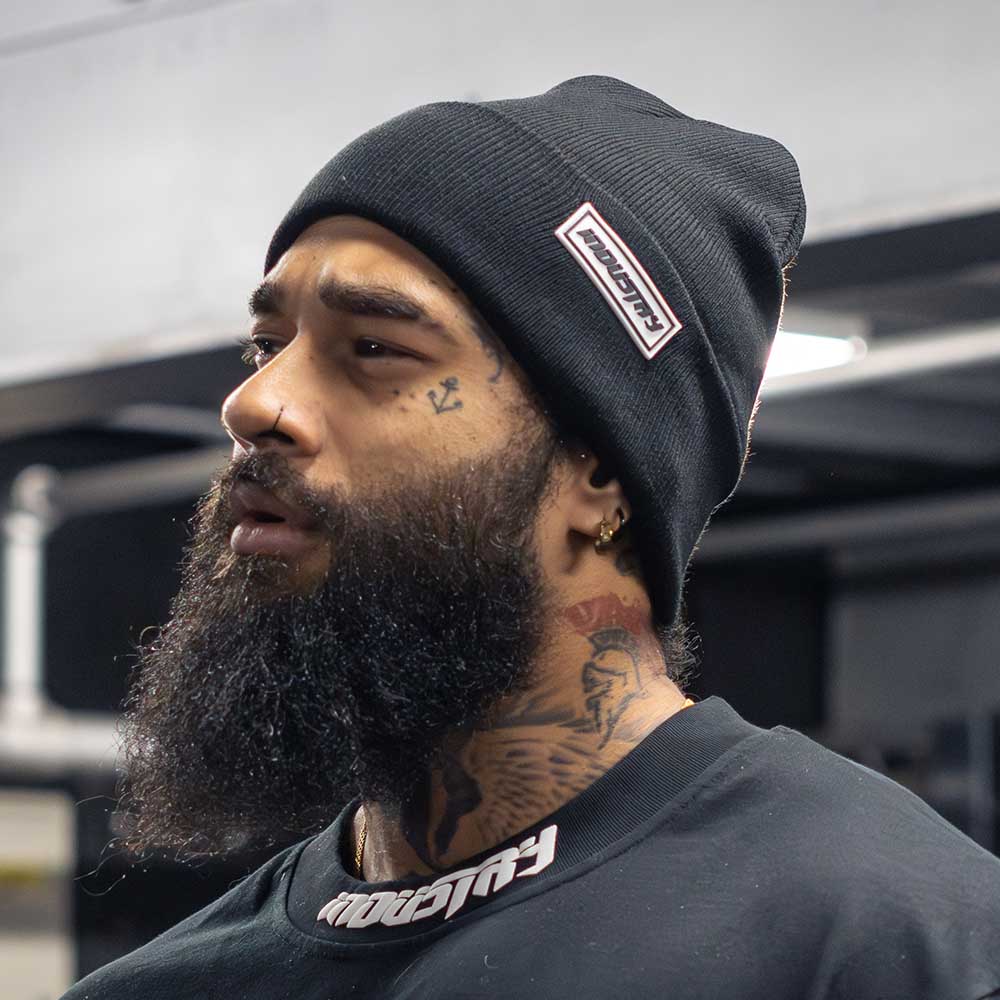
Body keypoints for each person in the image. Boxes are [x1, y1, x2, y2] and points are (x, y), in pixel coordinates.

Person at [62, 75, 1000, 999]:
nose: (252, 402)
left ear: (596, 470)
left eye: (375, 347)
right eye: (269, 346)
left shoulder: (895, 940)